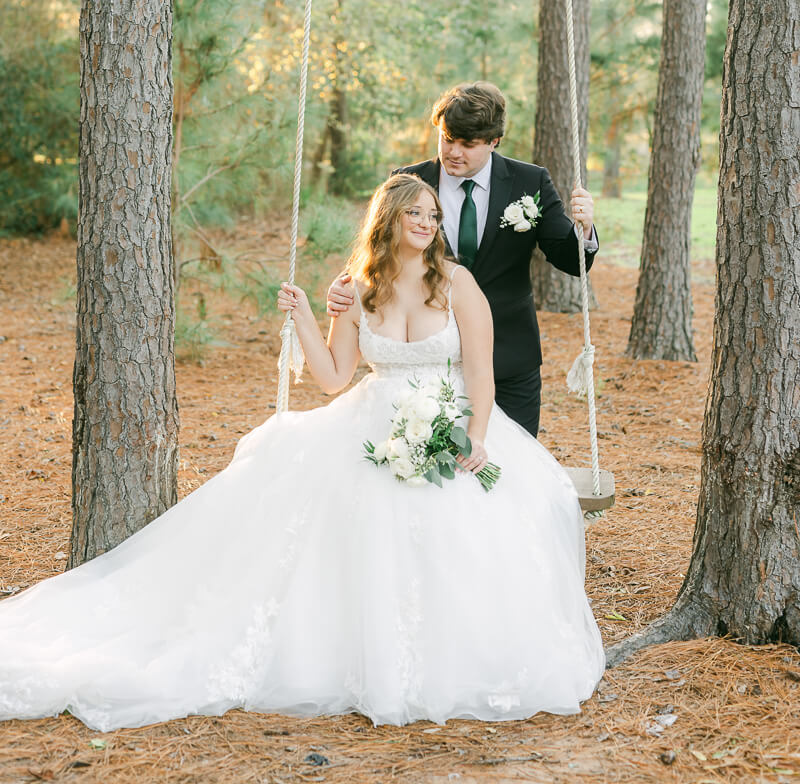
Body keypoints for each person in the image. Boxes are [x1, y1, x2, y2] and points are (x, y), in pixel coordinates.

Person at [0, 175, 604, 731]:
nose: (426, 222)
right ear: (388, 219)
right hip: (374, 427)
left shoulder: (460, 283)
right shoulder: (362, 286)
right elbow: (335, 376)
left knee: (485, 522)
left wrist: (474, 437)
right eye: (413, 213)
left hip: (453, 420)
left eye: (431, 214)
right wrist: (308, 317)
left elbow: (480, 375)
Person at [328, 81, 598, 437]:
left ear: (493, 141)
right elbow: (381, 248)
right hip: (431, 364)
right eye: (447, 138)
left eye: (467, 144)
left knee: (507, 472)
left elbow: (569, 259)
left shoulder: (528, 182)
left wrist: (585, 228)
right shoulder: (409, 181)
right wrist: (348, 285)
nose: (453, 152)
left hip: (508, 358)